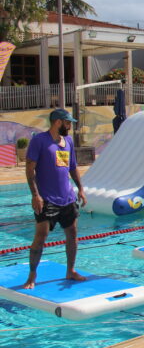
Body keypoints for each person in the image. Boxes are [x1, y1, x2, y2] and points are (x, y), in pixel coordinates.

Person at [23, 109, 88, 289]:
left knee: (72, 234)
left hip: (67, 198)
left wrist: (80, 189)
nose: (69, 126)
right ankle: (32, 276)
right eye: (68, 123)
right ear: (58, 122)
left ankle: (71, 270)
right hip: (46, 199)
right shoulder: (39, 141)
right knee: (41, 236)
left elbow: (72, 167)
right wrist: (35, 195)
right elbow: (30, 169)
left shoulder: (67, 141)